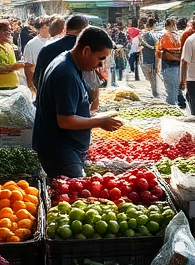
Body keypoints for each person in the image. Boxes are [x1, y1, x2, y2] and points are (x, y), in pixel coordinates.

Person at [32, 27, 125, 178]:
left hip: (60, 150)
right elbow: (65, 121)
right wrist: (100, 122)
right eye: (100, 58)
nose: (101, 65)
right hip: (62, 153)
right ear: (86, 51)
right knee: (71, 196)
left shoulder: (65, 60)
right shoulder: (66, 74)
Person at [34, 15, 89, 92]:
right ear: (85, 30)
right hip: (76, 100)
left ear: (65, 28)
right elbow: (92, 84)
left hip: (48, 99)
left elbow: (37, 79)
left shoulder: (47, 49)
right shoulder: (86, 50)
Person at [158, 18, 184, 107]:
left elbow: (160, 50)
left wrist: (157, 66)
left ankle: (172, 106)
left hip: (168, 64)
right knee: (176, 87)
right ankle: (175, 104)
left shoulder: (165, 36)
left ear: (166, 26)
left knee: (170, 89)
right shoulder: (179, 36)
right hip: (178, 64)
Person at [21, 18, 50, 88]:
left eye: (49, 26)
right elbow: (28, 67)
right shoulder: (31, 45)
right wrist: (31, 87)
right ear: (38, 29)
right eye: (44, 27)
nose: (48, 29)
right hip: (40, 82)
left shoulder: (56, 40)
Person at [140, 18, 161, 98]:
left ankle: (154, 91)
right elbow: (142, 42)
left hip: (152, 57)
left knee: (153, 75)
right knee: (152, 75)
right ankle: (154, 92)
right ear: (154, 24)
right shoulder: (147, 33)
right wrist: (151, 47)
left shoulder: (152, 33)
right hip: (149, 57)